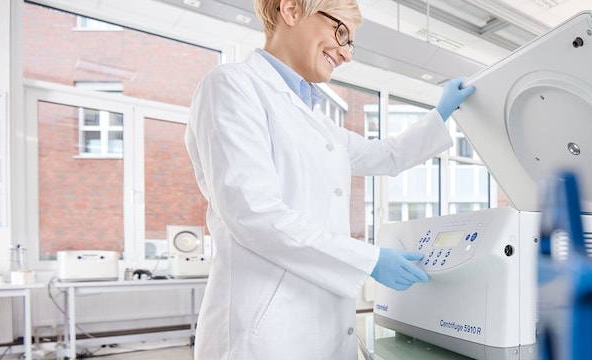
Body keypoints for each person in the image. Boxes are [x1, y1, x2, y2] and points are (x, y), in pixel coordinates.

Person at [183, 0, 475, 358]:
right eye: (341, 33)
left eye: (351, 42)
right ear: (291, 11)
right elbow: (253, 213)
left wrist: (441, 113)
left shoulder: (318, 123)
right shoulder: (231, 85)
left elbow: (386, 155)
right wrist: (369, 260)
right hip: (263, 334)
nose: (347, 53)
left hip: (321, 326)